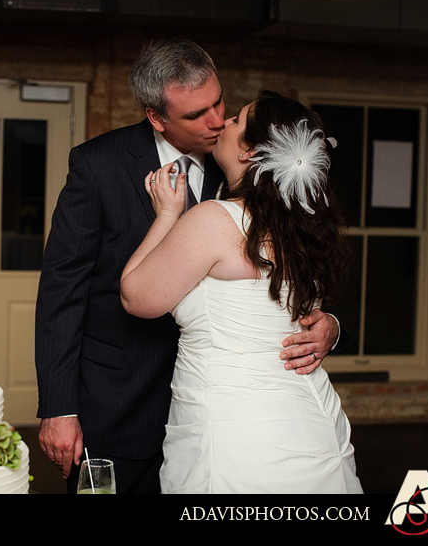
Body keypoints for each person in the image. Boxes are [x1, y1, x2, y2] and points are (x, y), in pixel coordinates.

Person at [35, 40, 345, 494]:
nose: (217, 121)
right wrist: (60, 408)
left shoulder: (256, 166)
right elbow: (62, 290)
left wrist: (332, 324)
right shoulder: (98, 165)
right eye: (196, 114)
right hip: (120, 406)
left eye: (220, 103)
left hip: (230, 414)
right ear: (156, 117)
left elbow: (309, 260)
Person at [120, 90, 362, 493]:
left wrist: (166, 215)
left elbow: (136, 297)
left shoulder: (214, 220)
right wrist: (332, 324)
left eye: (238, 119)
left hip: (236, 428)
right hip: (310, 419)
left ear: (249, 151)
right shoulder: (307, 231)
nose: (226, 120)